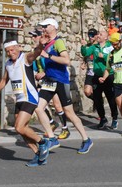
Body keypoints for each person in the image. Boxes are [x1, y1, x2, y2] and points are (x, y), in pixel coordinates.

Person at [0, 40, 50, 167]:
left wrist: (41, 45)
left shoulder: (25, 58)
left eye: (12, 50)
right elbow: (4, 80)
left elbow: (36, 53)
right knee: (21, 130)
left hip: (30, 97)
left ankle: (42, 142)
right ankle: (38, 154)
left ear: (18, 48)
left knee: (19, 127)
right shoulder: (8, 64)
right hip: (20, 99)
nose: (10, 53)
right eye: (8, 51)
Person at [34, 18, 94, 154]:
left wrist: (48, 55)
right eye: (42, 26)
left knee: (69, 113)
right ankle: (52, 138)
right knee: (38, 108)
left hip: (60, 81)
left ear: (53, 27)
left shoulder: (58, 42)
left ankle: (86, 139)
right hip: (49, 80)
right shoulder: (46, 43)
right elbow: (39, 55)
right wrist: (40, 46)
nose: (43, 28)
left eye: (45, 26)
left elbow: (66, 61)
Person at [89, 30, 118, 129]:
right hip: (97, 75)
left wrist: (104, 56)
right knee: (97, 98)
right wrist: (84, 46)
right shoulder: (95, 46)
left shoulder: (110, 46)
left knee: (110, 98)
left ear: (106, 37)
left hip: (108, 75)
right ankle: (102, 118)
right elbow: (85, 53)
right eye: (98, 34)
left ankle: (114, 118)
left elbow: (114, 58)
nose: (98, 36)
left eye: (101, 34)